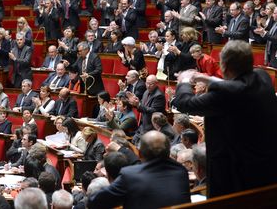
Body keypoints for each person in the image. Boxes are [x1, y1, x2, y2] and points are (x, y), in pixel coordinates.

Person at [173, 40, 277, 198]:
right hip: (265, 168)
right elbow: (237, 85)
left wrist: (185, 81)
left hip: (233, 175)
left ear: (224, 66)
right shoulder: (262, 77)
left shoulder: (224, 94)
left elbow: (185, 103)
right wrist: (205, 78)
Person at [88, 130, 190, 208]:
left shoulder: (130, 176)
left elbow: (94, 202)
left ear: (140, 154)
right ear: (168, 153)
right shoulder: (181, 171)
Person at [128, 75, 166, 144]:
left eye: (151, 84)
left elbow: (153, 111)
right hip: (143, 125)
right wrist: (137, 101)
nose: (148, 86)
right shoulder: (146, 92)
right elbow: (142, 105)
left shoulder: (159, 95)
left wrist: (138, 105)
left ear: (156, 83)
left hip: (151, 126)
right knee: (133, 142)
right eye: (147, 83)